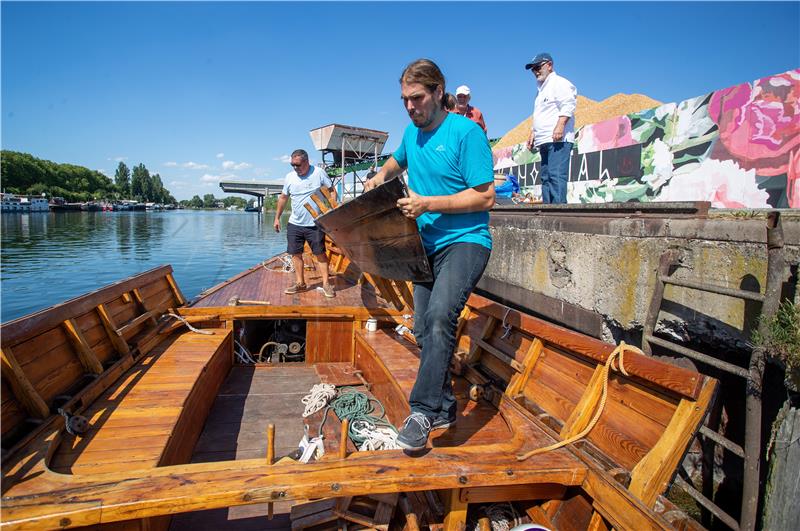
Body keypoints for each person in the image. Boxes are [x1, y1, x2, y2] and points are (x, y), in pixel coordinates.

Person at [364, 59, 495, 451]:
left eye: (416, 98)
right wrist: (379, 177)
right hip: (426, 246)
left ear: (438, 92)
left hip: (466, 240)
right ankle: (446, 405)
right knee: (422, 327)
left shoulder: (466, 133)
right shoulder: (411, 132)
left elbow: (485, 195)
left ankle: (422, 412)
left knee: (440, 316)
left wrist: (428, 203)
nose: (409, 106)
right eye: (404, 99)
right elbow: (397, 159)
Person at [273, 149, 336, 298]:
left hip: (315, 223)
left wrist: (332, 208)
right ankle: (300, 284)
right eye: (292, 165)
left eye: (298, 165)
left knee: (320, 253)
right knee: (295, 254)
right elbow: (283, 198)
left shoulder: (319, 173)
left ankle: (326, 284)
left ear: (307, 162)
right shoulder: (290, 177)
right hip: (295, 223)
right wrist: (277, 218)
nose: (295, 168)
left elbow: (332, 190)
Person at [524, 52, 577, 204]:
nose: (536, 71)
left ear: (549, 65)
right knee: (546, 178)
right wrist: (532, 133)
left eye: (538, 67)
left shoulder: (559, 83)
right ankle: (548, 211)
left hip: (558, 140)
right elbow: (540, 114)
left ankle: (559, 213)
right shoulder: (540, 91)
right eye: (533, 69)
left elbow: (568, 104)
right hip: (544, 140)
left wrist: (560, 125)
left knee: (556, 175)